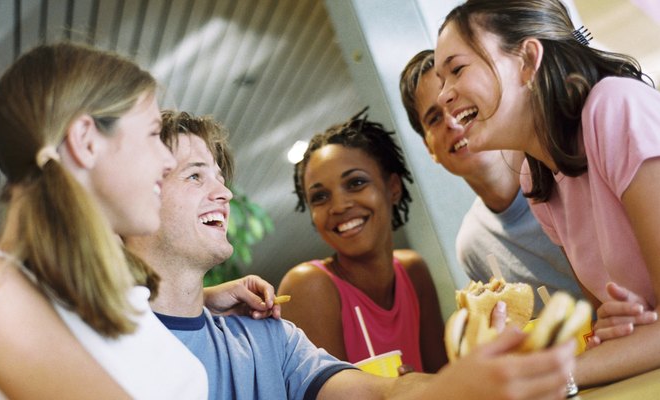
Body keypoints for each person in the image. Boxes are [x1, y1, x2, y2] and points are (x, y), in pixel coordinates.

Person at [125, 109, 578, 400]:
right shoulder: (98, 351)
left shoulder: (268, 336)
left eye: (220, 177)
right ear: (132, 198)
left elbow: (385, 393)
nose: (224, 193)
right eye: (195, 176)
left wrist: (469, 386)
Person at [0, 42, 278, 399]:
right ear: (86, 141)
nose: (166, 161)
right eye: (152, 134)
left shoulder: (108, 294)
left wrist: (202, 299)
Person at [435, 0, 660, 387]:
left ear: (527, 60)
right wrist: (613, 326)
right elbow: (619, 321)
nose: (443, 96)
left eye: (457, 70)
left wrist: (538, 378)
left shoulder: (614, 106)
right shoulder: (536, 180)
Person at [399, 49, 584, 313]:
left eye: (458, 101)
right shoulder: (473, 246)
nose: (453, 121)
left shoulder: (567, 168)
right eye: (435, 118)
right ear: (429, 148)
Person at [277, 109, 447, 373]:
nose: (339, 206)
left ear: (393, 188)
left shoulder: (414, 272)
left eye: (356, 183)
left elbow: (443, 381)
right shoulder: (308, 286)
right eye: (320, 197)